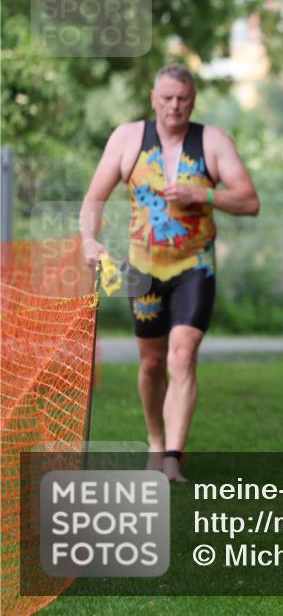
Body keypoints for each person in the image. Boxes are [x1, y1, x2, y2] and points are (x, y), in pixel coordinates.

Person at [80, 64, 260, 482]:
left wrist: (203, 193)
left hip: (194, 266)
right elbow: (94, 198)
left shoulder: (213, 142)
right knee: (152, 362)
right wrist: (89, 240)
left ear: (193, 100)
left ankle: (172, 459)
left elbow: (250, 201)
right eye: (166, 98)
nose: (174, 106)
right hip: (141, 269)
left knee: (182, 355)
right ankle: (155, 443)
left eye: (182, 98)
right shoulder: (127, 138)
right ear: (153, 98)